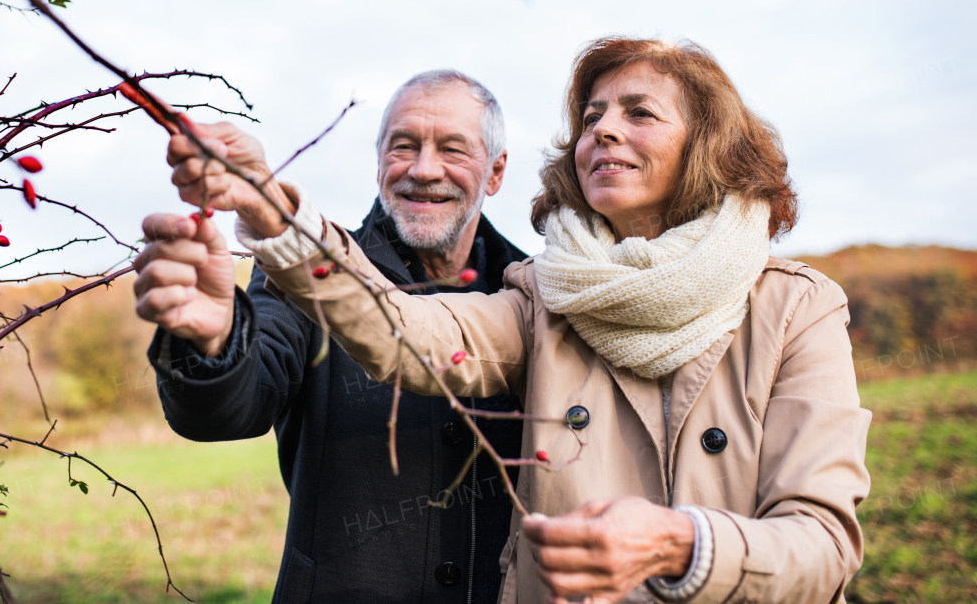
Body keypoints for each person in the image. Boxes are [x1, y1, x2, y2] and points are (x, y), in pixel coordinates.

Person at [141, 38, 872, 604]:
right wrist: (272, 216)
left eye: (638, 112)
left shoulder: (794, 307)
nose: (602, 131)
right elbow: (407, 334)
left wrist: (682, 542)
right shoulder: (546, 297)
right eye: (591, 118)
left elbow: (823, 539)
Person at [133, 71, 529, 604]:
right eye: (403, 146)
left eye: (452, 149)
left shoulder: (531, 294)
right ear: (379, 161)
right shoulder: (303, 271)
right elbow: (234, 407)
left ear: (496, 171)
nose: (422, 169)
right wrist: (212, 342)